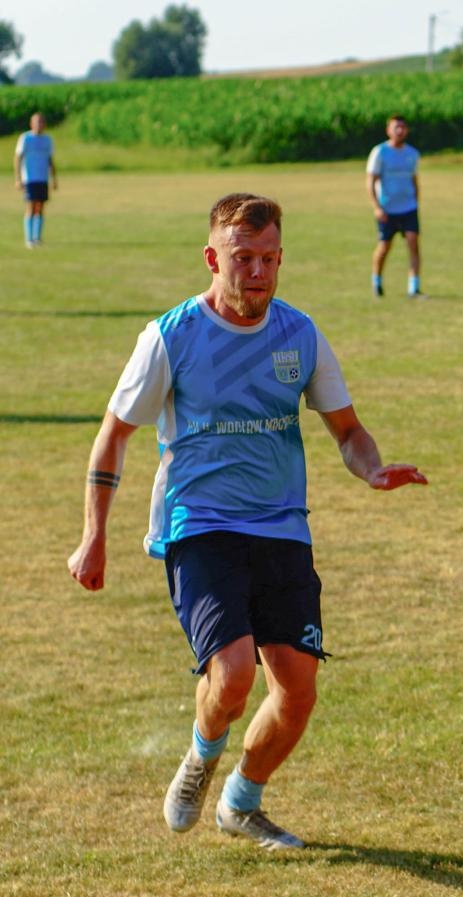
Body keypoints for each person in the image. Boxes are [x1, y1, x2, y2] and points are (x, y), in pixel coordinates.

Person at [66, 193, 428, 848]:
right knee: (233, 674)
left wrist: (371, 468)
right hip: (199, 522)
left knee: (297, 691)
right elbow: (113, 435)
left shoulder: (299, 334)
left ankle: (241, 800)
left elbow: (347, 430)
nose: (256, 271)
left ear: (280, 258)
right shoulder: (171, 336)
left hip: (282, 527)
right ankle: (202, 759)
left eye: (268, 258)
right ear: (213, 257)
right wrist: (93, 535)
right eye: (242, 257)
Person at [366, 115, 423, 299]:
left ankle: (413, 287)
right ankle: (377, 281)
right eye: (396, 127)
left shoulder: (412, 154)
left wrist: (416, 202)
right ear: (388, 130)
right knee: (384, 246)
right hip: (387, 209)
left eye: (403, 127)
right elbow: (371, 181)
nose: (400, 130)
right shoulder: (380, 152)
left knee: (413, 244)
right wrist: (377, 207)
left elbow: (414, 180)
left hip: (408, 208)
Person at [13, 112, 58, 249]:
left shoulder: (47, 140)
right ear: (31, 124)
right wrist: (18, 178)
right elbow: (17, 158)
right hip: (29, 178)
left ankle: (37, 238)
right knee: (31, 207)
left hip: (42, 178)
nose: (39, 125)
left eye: (41, 122)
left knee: (40, 207)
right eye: (37, 122)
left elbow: (50, 160)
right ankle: (29, 239)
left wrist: (54, 178)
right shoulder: (25, 138)